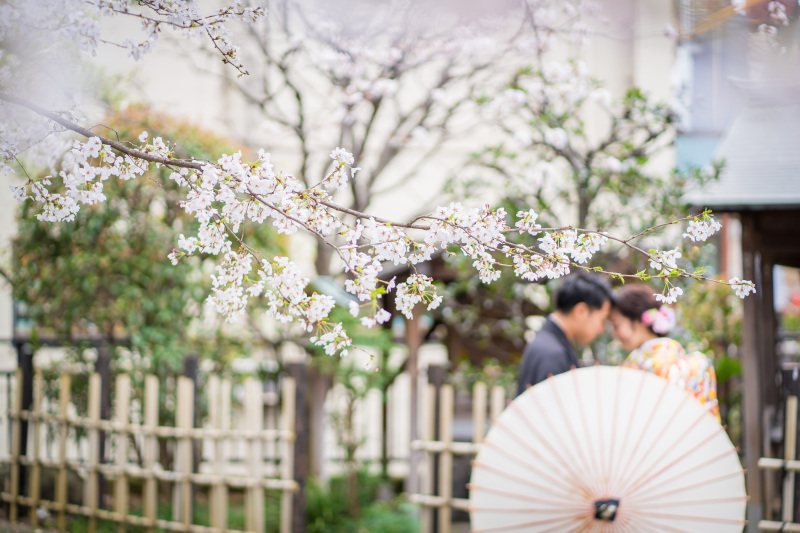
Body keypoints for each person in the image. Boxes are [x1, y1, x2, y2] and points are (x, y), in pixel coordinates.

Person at [610, 283, 720, 422]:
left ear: (638, 321)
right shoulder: (696, 362)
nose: (614, 334)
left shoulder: (641, 364)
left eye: (616, 325)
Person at [516, 273, 612, 396]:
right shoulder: (553, 354)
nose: (601, 329)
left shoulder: (548, 343)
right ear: (581, 311)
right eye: (602, 319)